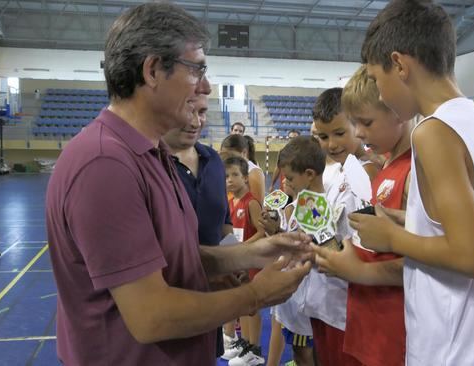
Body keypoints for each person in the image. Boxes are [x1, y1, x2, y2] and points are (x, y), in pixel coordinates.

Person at [45, 3, 311, 365]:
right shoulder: (106, 164)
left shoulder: (150, 153)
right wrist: (256, 295)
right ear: (153, 70)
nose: (206, 85)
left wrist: (250, 253)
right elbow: (152, 316)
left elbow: (168, 258)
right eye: (197, 69)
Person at [351, 0, 474, 364]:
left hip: (454, 348)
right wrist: (414, 223)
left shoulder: (433, 132)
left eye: (378, 79)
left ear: (399, 65)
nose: (380, 94)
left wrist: (393, 238)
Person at [313, 65, 412, 366]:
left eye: (364, 122)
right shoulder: (380, 169)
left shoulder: (414, 168)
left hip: (394, 329)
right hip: (364, 319)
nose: (358, 132)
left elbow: (438, 259)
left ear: (399, 110)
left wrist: (357, 270)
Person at [304, 88, 373, 366]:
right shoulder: (333, 172)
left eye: (339, 133)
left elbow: (367, 243)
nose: (331, 144)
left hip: (349, 307)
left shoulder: (369, 173)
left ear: (356, 124)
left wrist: (329, 248)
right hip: (323, 299)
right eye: (323, 136)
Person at [162, 93, 233, 357]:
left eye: (201, 112)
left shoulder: (213, 161)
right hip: (168, 297)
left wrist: (233, 264)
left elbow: (224, 222)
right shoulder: (149, 166)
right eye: (187, 111)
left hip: (210, 293)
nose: (195, 121)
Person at [264, 136, 326, 366]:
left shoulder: (316, 206)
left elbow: (321, 246)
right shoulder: (301, 203)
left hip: (309, 296)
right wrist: (278, 230)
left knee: (305, 352)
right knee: (303, 350)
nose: (287, 183)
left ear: (309, 174)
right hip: (298, 294)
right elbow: (299, 240)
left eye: (290, 178)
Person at [224, 156, 266, 366]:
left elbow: (263, 232)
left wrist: (244, 247)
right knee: (241, 303)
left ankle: (255, 349)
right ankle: (244, 343)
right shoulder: (230, 201)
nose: (229, 180)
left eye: (234, 175)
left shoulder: (252, 203)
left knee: (252, 306)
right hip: (237, 261)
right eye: (226, 176)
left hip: (250, 261)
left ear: (246, 178)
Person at [221, 134, 266, 203]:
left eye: (231, 155)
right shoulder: (228, 169)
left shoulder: (254, 172)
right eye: (225, 156)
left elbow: (256, 206)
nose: (227, 159)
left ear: (244, 152)